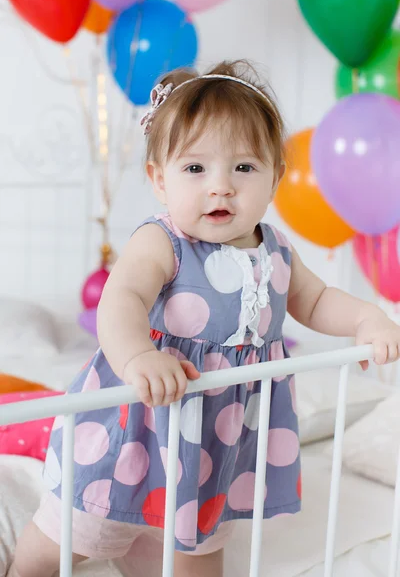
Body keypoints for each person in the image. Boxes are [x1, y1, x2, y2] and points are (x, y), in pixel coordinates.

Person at [8, 60, 400, 577]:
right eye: (195, 169)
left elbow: (317, 300)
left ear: (275, 177)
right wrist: (138, 357)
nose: (221, 187)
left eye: (244, 167)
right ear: (159, 179)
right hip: (136, 432)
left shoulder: (278, 249)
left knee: (196, 552)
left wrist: (368, 318)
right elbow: (120, 298)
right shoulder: (163, 242)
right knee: (68, 536)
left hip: (213, 448)